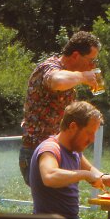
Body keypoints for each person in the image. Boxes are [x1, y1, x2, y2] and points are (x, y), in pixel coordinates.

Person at [29, 101, 110, 219]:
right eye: (89, 133)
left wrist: (104, 177)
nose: (93, 139)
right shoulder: (50, 149)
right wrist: (85, 176)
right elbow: (49, 176)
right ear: (73, 127)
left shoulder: (74, 152)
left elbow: (90, 170)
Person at [19, 31, 103, 185]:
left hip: (55, 151)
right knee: (54, 204)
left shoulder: (70, 81)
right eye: (91, 60)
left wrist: (99, 176)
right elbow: (56, 80)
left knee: (64, 203)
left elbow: (65, 136)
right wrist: (83, 76)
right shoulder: (49, 67)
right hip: (38, 151)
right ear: (76, 55)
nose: (93, 66)